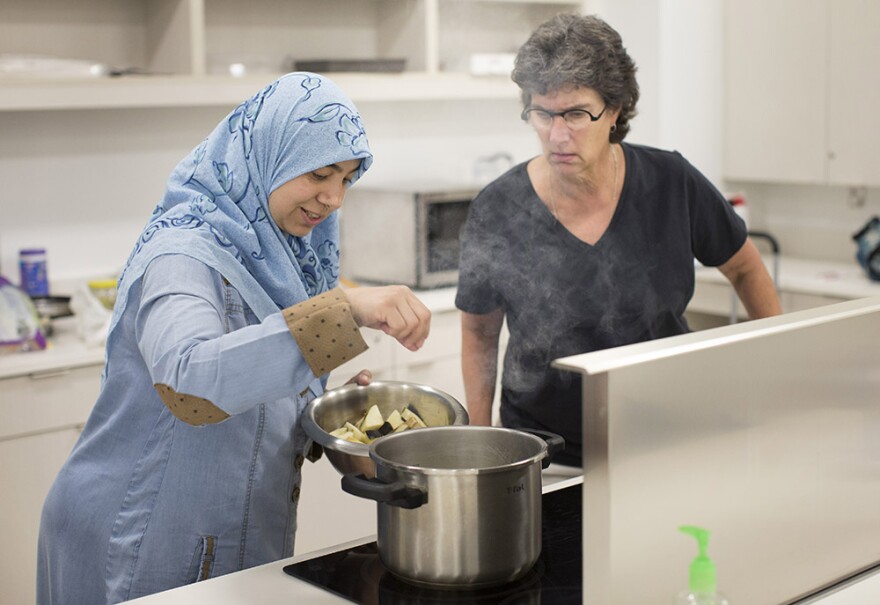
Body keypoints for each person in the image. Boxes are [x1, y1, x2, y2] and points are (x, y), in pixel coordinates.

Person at [36, 72, 431, 604]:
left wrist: (337, 423)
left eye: (347, 178)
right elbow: (192, 381)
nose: (334, 198)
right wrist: (347, 310)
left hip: (226, 540)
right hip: (142, 539)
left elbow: (263, 382)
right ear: (271, 156)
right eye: (320, 173)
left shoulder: (287, 259)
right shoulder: (182, 255)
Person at [455, 14, 782, 468]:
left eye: (575, 113)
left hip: (665, 439)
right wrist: (480, 441)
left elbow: (745, 268)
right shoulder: (498, 206)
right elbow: (479, 332)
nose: (557, 134)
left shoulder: (671, 182)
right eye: (543, 113)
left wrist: (779, 367)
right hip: (545, 454)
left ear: (614, 110)